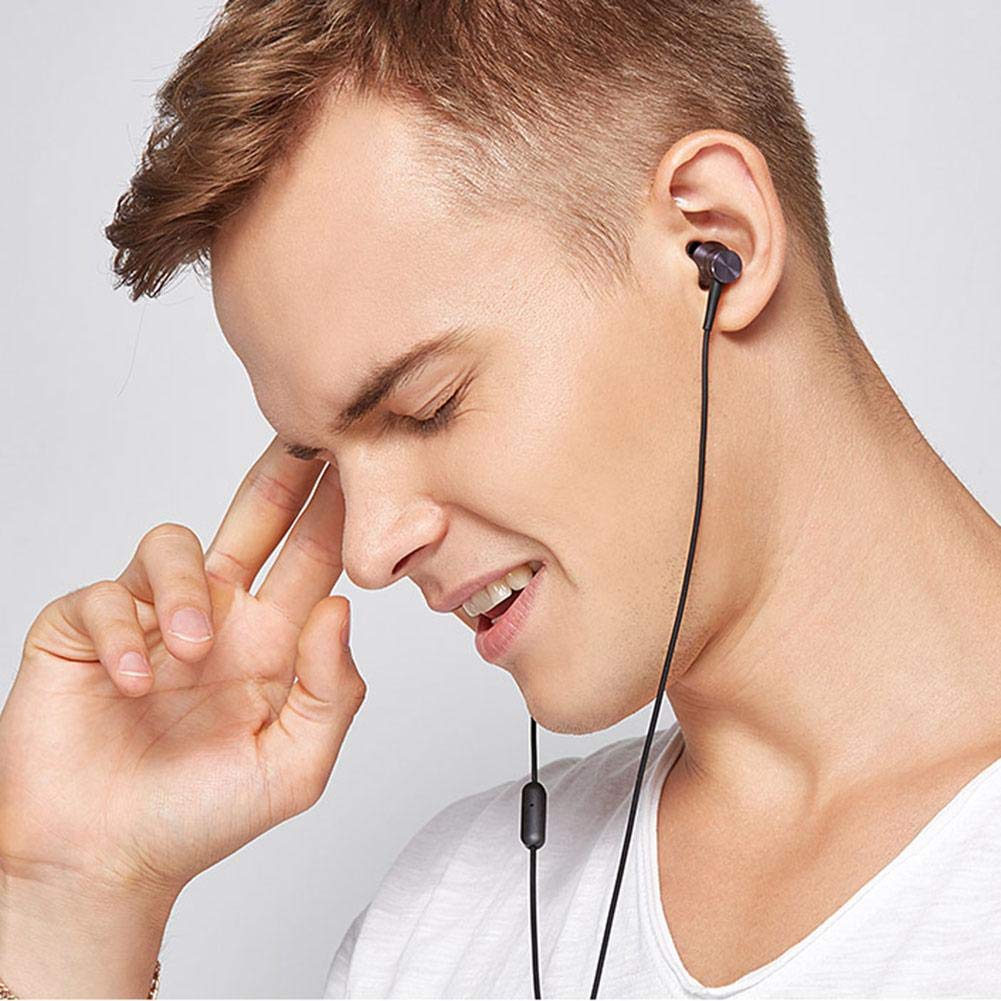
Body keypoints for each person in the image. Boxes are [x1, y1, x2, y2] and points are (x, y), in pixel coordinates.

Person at [2, 0, 1000, 997]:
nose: (370, 551)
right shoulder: (445, 921)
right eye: (328, 460)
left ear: (715, 243)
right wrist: (73, 902)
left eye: (426, 405)